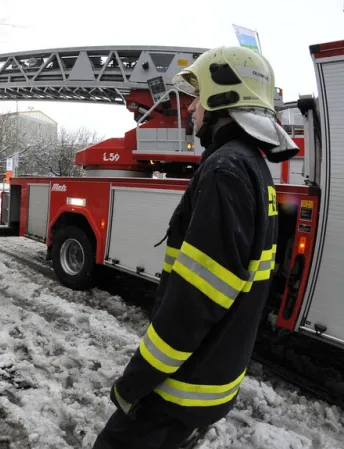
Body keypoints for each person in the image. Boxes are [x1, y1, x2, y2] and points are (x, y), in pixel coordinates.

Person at [92, 47, 299, 449]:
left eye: (198, 98)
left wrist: (136, 382)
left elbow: (194, 302)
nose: (190, 111)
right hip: (209, 383)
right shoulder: (253, 168)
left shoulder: (225, 171)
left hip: (177, 392)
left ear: (225, 98)